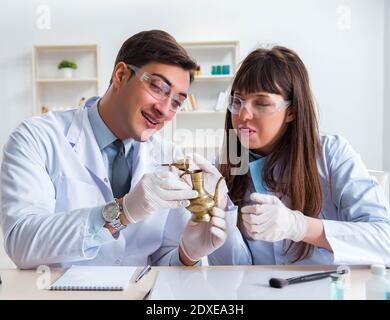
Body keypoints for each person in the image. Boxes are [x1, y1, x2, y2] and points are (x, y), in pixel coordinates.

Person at [0, 30, 228, 269]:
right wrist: (121, 212)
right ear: (121, 75)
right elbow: (21, 243)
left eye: (176, 102)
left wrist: (187, 255)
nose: (164, 110)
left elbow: (162, 263)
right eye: (158, 88)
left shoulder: (169, 156)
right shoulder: (37, 137)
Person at [215, 46, 390, 265]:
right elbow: (234, 269)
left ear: (292, 111)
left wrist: (299, 226)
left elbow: (384, 241)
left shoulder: (331, 154)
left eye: (261, 103)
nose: (243, 114)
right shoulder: (225, 168)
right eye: (237, 101)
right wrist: (218, 214)